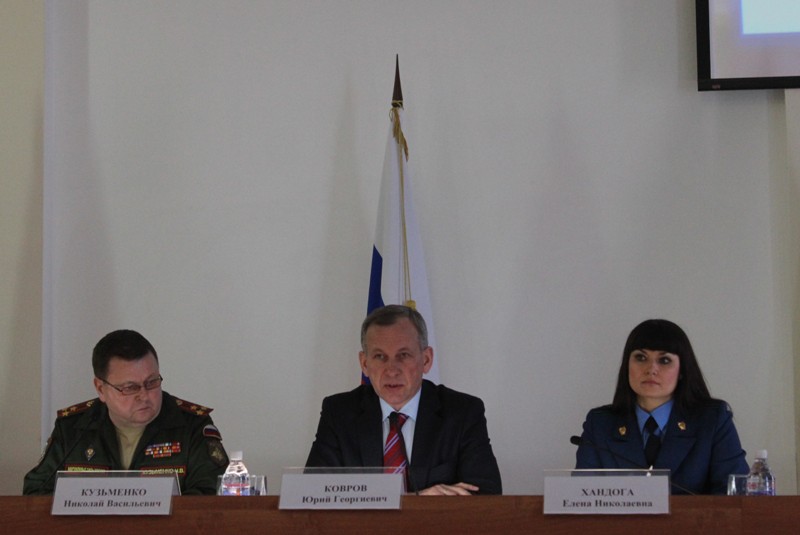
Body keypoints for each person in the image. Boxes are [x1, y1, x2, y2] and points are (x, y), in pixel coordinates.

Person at [305, 305, 502, 495]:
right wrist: (416, 502)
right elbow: (313, 494)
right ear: (364, 364)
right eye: (380, 356)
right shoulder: (339, 413)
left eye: (403, 355)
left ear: (426, 360)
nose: (391, 370)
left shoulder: (463, 413)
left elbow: (486, 495)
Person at [23, 329, 229, 495]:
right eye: (130, 387)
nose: (144, 395)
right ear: (101, 389)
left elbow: (213, 496)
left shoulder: (193, 426)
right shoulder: (72, 429)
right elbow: (35, 492)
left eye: (151, 382)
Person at [575, 319, 748, 494]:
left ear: (682, 371)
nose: (651, 369)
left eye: (664, 360)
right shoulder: (600, 424)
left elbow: (735, 495)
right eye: (641, 358)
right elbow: (583, 497)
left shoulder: (713, 420)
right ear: (627, 365)